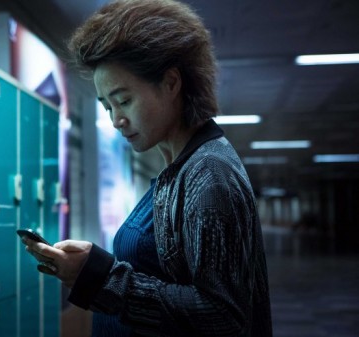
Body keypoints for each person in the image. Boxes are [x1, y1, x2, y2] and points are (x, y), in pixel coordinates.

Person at [21, 0, 273, 335]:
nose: (115, 119)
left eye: (124, 100)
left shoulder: (209, 174)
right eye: (107, 105)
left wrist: (99, 278)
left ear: (171, 83)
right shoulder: (180, 169)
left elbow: (222, 317)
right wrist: (95, 265)